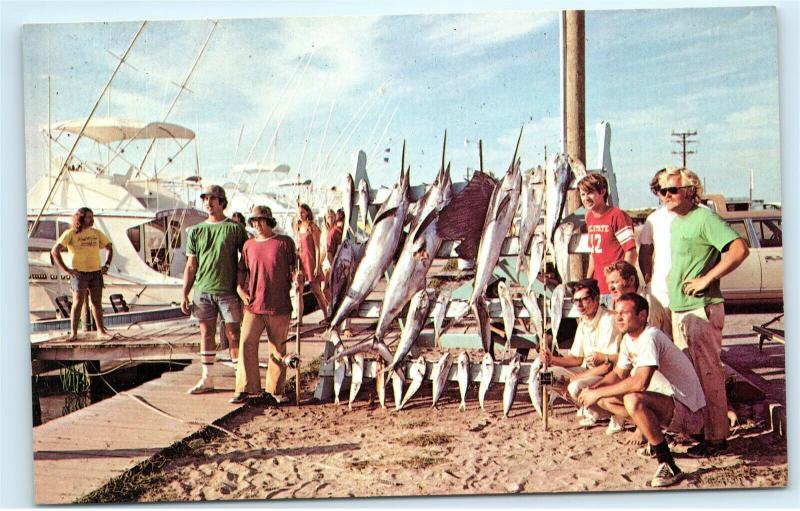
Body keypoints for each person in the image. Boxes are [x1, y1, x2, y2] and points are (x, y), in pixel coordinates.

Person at [659, 167, 749, 456]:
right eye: (662, 191)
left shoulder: (705, 217)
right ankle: (701, 432)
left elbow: (738, 249)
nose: (666, 196)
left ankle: (717, 438)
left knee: (709, 373)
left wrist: (706, 279)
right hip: (681, 309)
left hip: (701, 309)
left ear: (690, 189)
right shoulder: (676, 223)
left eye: (672, 190)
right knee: (691, 376)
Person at [579, 293, 707, 488]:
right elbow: (619, 373)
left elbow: (640, 383)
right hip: (671, 407)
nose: (618, 317)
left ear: (642, 316)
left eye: (624, 313)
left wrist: (597, 392)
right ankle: (655, 438)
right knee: (605, 400)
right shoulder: (629, 340)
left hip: (692, 413)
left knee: (633, 399)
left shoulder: (650, 337)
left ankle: (668, 463)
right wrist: (592, 390)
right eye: (617, 313)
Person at [231, 205, 302, 405]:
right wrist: (239, 288)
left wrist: (298, 278)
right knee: (246, 343)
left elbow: (295, 267)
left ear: (269, 222)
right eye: (254, 221)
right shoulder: (248, 245)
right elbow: (242, 270)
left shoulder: (284, 242)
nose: (257, 225)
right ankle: (247, 388)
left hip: (279, 305)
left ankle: (276, 390)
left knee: (278, 349)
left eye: (261, 221)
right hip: (254, 305)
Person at [181, 185, 248, 394]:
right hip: (203, 290)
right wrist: (185, 292)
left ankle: (240, 380)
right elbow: (191, 265)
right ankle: (207, 379)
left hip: (227, 291)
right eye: (205, 199)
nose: (208, 203)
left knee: (233, 334)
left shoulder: (235, 228)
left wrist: (241, 286)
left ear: (222, 203)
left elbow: (246, 260)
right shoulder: (196, 231)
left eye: (213, 199)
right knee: (206, 333)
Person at [538, 279, 622, 433]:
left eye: (584, 299)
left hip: (609, 376)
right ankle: (590, 408)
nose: (579, 305)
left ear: (596, 299)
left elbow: (607, 366)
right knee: (544, 377)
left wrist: (573, 379)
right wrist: (551, 359)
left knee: (575, 386)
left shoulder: (608, 320)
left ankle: (607, 412)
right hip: (589, 372)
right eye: (576, 300)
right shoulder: (583, 322)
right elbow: (577, 358)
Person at [51, 207, 114, 341]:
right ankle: (74, 333)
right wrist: (67, 270)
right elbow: (54, 251)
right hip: (79, 274)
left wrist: (107, 265)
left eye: (92, 217)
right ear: (81, 218)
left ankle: (100, 331)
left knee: (96, 302)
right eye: (88, 217)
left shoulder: (96, 233)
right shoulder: (71, 233)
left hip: (96, 272)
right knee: (77, 303)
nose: (91, 220)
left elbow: (109, 247)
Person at [578, 173, 637, 295]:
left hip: (617, 288)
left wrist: (623, 281)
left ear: (603, 191)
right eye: (583, 194)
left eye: (590, 193)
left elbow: (630, 251)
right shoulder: (589, 217)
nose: (586, 198)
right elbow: (594, 253)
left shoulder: (617, 215)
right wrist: (588, 280)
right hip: (598, 287)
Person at [294, 203, 329, 319]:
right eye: (299, 212)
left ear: (307, 213)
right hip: (300, 261)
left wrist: (317, 266)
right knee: (299, 290)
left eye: (302, 212)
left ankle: (326, 315)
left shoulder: (312, 227)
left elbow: (317, 248)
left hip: (310, 261)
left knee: (316, 290)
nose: (300, 214)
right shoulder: (298, 226)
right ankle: (299, 319)